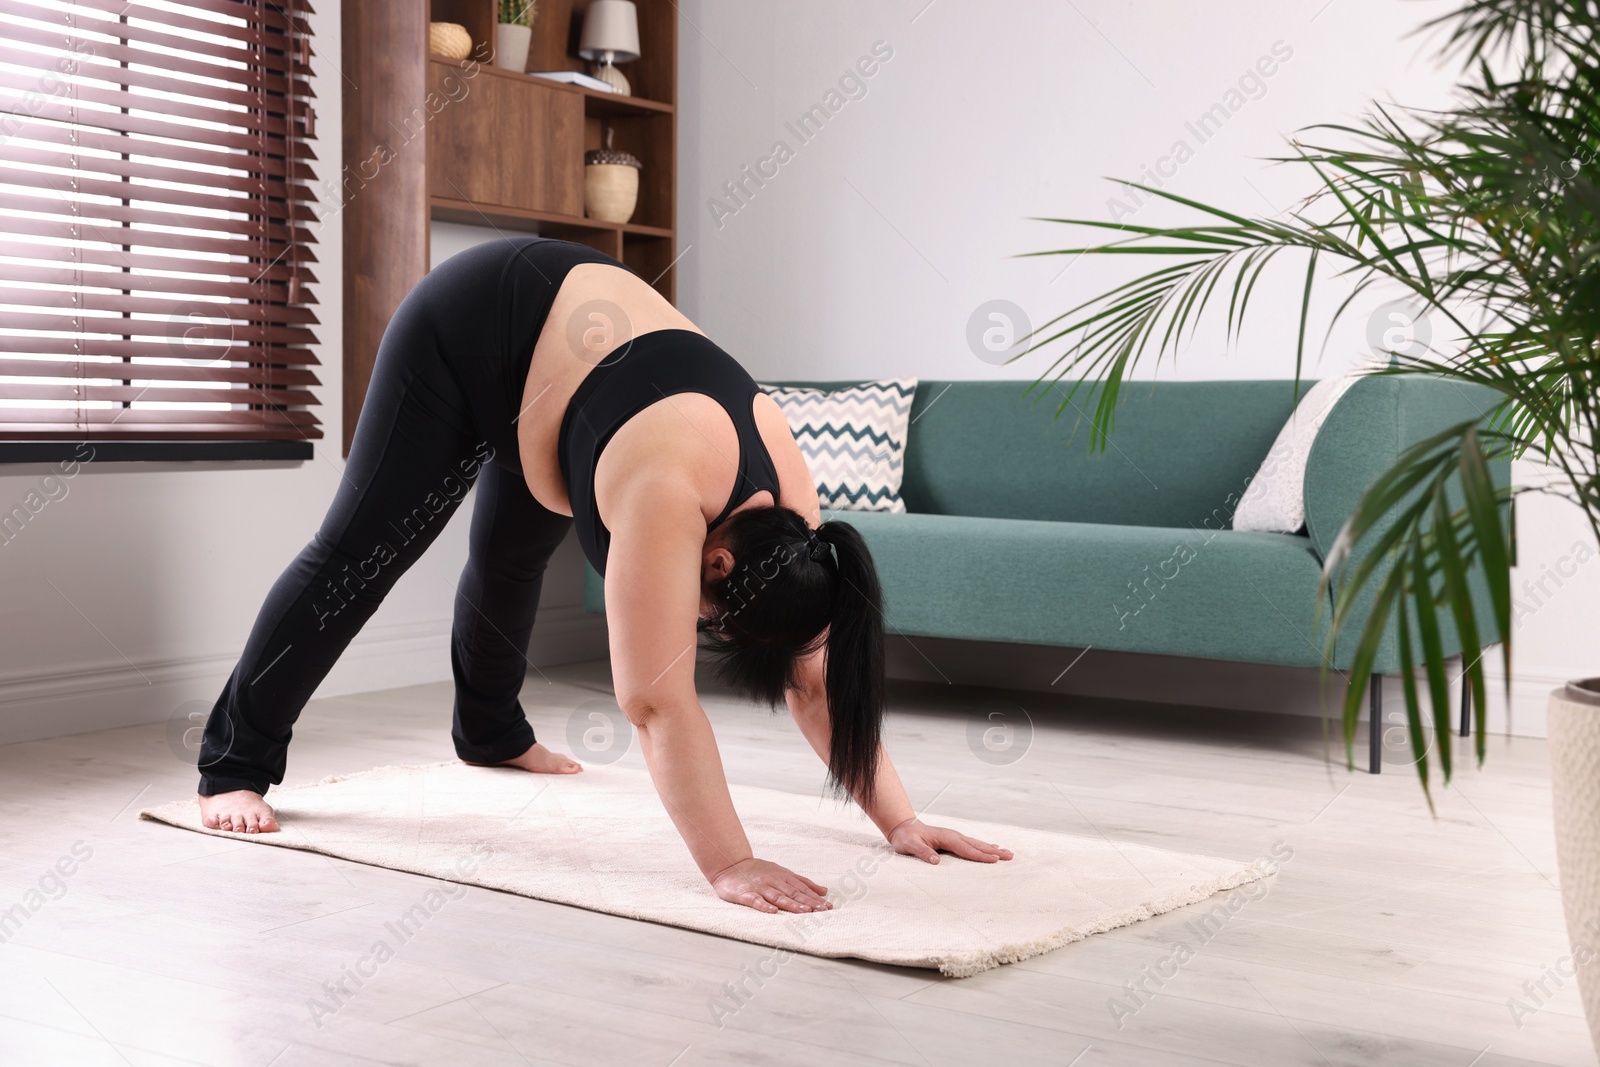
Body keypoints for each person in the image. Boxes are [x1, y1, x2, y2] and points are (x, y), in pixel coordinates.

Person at [195, 236, 1012, 913]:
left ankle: (489, 732)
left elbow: (816, 685)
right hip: (467, 326)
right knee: (360, 557)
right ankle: (234, 763)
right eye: (714, 615)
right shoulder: (665, 489)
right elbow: (658, 699)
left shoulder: (798, 527)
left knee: (510, 557)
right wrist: (730, 863)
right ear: (718, 562)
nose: (699, 624)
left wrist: (899, 818)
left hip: (561, 367)